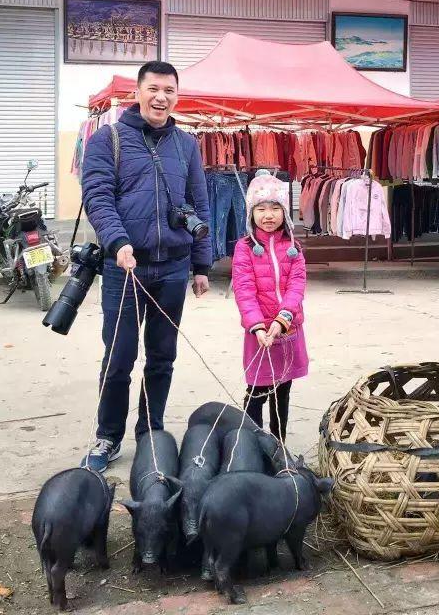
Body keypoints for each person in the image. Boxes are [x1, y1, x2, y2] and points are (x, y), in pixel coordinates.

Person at [81, 61, 211, 472]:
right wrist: (117, 242)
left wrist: (201, 263)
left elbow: (200, 200)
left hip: (172, 268)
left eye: (169, 90)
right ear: (137, 92)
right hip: (126, 268)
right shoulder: (108, 139)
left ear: (177, 94)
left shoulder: (187, 144)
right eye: (153, 88)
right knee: (119, 356)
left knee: (162, 357)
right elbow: (97, 195)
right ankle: (108, 436)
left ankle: (151, 431)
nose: (161, 97)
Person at [231, 171, 309, 442]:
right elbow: (244, 290)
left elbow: (297, 286)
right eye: (261, 208)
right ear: (251, 213)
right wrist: (257, 325)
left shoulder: (294, 247)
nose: (268, 215)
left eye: (275, 208)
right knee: (257, 390)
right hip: (260, 334)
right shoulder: (244, 248)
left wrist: (283, 319)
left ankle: (278, 443)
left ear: (285, 212)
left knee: (282, 389)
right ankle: (251, 445)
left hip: (287, 331)